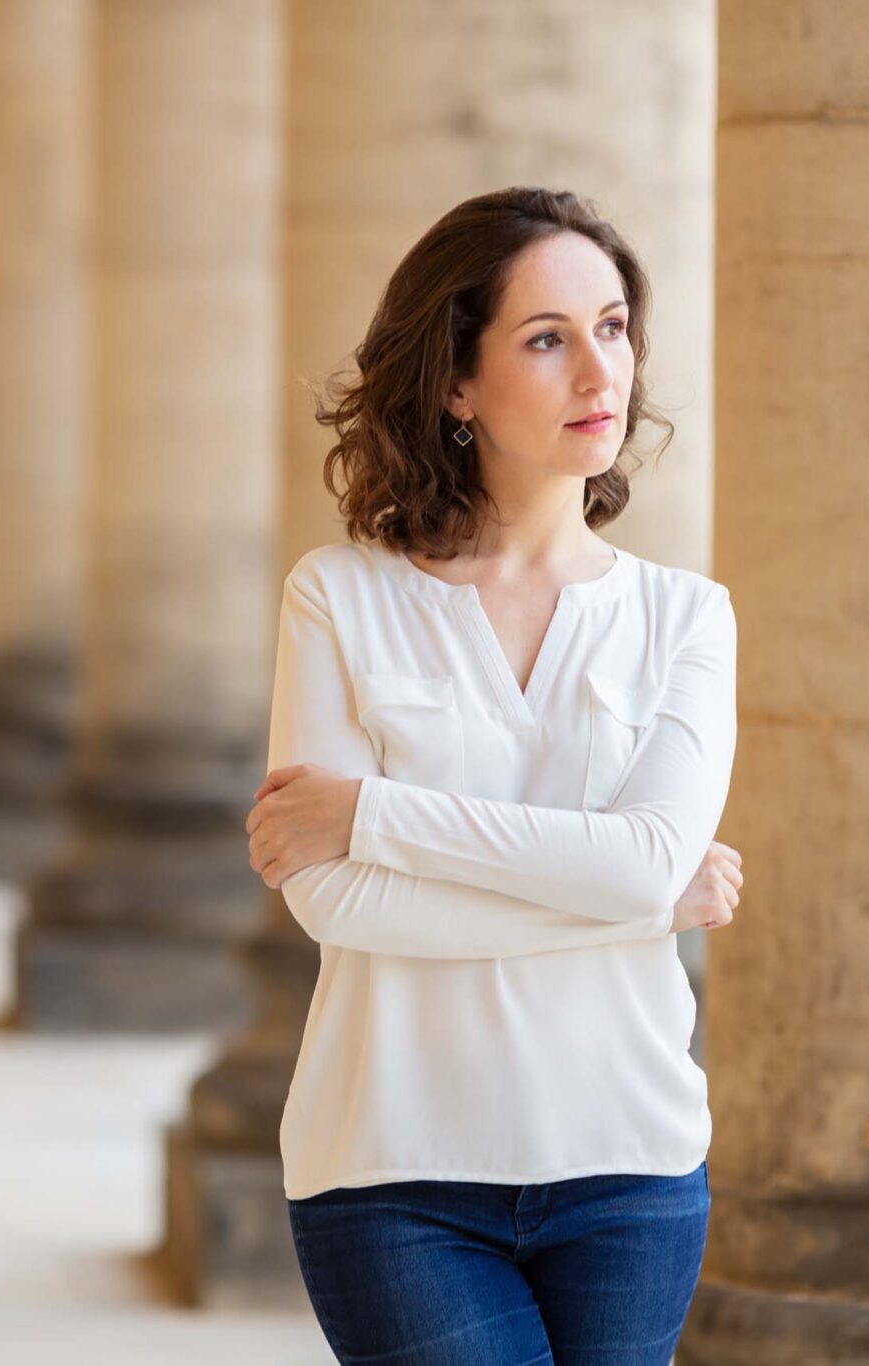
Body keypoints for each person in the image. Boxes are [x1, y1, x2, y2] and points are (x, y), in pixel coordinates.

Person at [243, 186, 743, 1365]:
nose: (596, 370)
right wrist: (626, 903)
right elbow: (333, 901)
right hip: (392, 1170)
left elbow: (638, 867)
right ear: (456, 383)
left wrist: (371, 812)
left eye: (612, 328)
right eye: (545, 338)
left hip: (628, 1165)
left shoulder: (685, 618)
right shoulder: (338, 595)